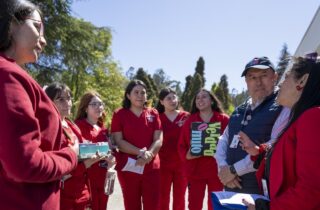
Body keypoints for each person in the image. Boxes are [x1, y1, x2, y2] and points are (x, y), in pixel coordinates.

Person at [0, 1, 78, 210]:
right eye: (37, 27)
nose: (43, 40)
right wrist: (72, 154)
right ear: (12, 23)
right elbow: (25, 163)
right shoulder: (8, 75)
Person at [243, 56, 320, 210]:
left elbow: (312, 189)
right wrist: (259, 152)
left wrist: (266, 208)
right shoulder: (301, 118)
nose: (280, 83)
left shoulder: (313, 117)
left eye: (286, 77)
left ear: (302, 81)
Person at [215, 56, 282, 194]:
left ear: (274, 77)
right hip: (231, 186)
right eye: (252, 77)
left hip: (259, 189)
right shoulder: (240, 109)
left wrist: (233, 170)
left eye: (263, 76)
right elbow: (224, 139)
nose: (258, 82)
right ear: (246, 81)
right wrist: (223, 168)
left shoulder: (282, 106)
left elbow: (274, 145)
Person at [45, 83, 109, 210]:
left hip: (82, 191)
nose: (67, 103)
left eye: (68, 98)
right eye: (61, 99)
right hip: (63, 194)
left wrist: (98, 150)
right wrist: (88, 163)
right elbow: (56, 166)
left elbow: (82, 152)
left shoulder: (71, 125)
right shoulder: (48, 127)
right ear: (48, 101)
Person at [111, 80, 163, 210]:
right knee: (131, 205)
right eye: (136, 92)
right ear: (128, 95)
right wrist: (140, 152)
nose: (140, 95)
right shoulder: (119, 114)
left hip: (151, 168)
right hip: (129, 169)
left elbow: (158, 139)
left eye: (143, 92)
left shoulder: (153, 113)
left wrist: (148, 155)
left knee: (153, 205)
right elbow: (119, 141)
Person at [179, 89, 229, 210]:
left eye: (204, 97)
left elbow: (232, 143)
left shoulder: (224, 120)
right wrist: (188, 155)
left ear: (212, 100)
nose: (200, 100)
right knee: (194, 205)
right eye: (197, 98)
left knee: (216, 204)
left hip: (217, 170)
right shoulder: (190, 121)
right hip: (195, 170)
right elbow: (181, 145)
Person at [75, 91, 113, 210]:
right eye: (94, 104)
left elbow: (110, 152)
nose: (98, 107)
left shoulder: (103, 130)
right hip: (85, 180)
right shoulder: (77, 127)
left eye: (100, 104)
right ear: (85, 108)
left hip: (102, 180)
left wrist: (111, 159)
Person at [155, 88, 189, 210]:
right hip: (162, 165)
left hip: (182, 164)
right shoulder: (157, 118)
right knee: (162, 197)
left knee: (180, 197)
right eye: (168, 98)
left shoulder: (186, 116)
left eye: (174, 97)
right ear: (161, 101)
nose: (172, 100)